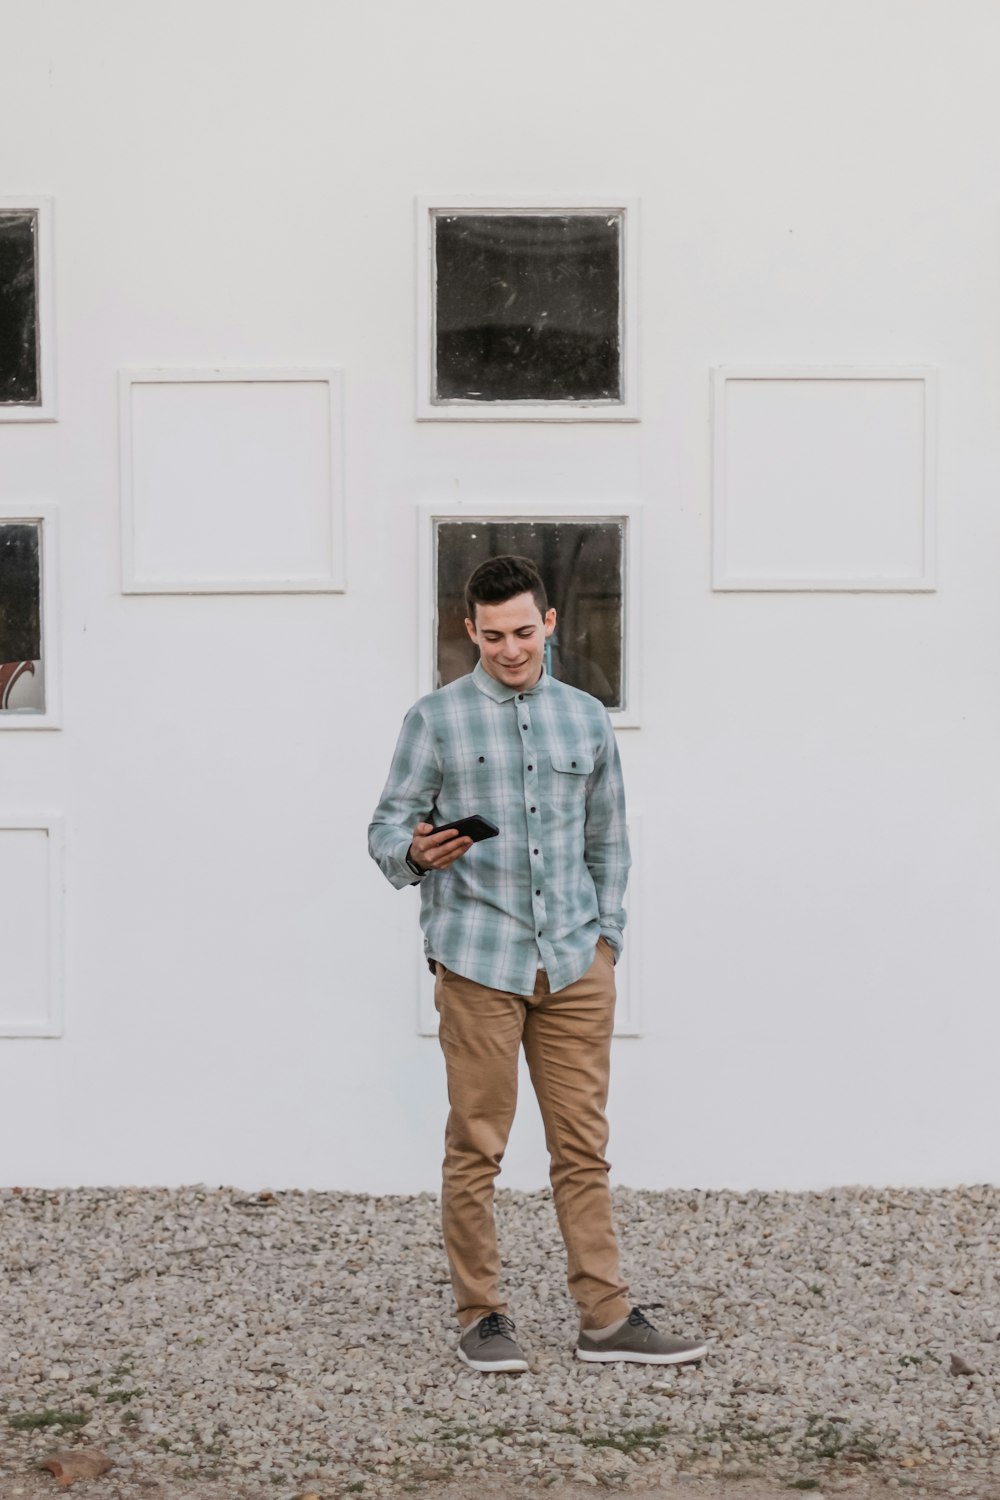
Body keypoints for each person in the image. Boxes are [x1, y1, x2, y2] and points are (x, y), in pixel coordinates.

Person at [368, 555, 707, 1373]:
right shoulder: (434, 720)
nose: (511, 650)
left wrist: (606, 947)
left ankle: (606, 1317)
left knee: (582, 1149)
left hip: (573, 966)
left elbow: (609, 842)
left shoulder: (586, 719)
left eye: (524, 632)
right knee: (476, 1146)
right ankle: (482, 1317)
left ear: (549, 624)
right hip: (479, 964)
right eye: (493, 637)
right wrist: (414, 853)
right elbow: (385, 835)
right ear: (469, 630)